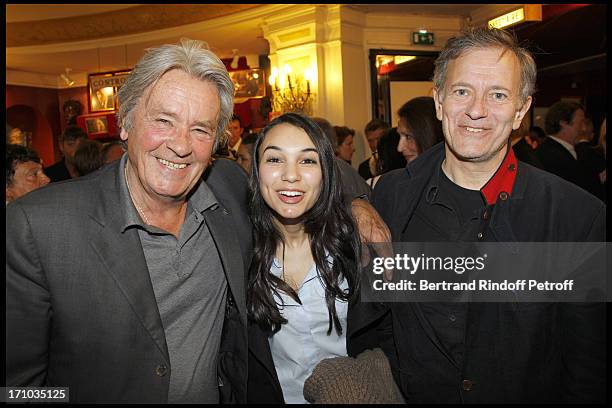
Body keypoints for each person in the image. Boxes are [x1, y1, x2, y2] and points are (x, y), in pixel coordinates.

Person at [352, 27, 606, 403]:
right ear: (439, 101)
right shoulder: (390, 196)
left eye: (498, 95)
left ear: (521, 110)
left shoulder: (576, 217)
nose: (476, 110)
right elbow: (378, 320)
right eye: (461, 91)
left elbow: (588, 369)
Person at [7, 38, 251, 403]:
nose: (181, 145)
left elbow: (304, 184)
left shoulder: (229, 187)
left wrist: (361, 204)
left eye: (200, 129)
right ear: (126, 122)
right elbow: (16, 391)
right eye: (164, 120)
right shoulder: (38, 226)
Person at [246, 112, 361, 403]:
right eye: (274, 159)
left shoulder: (357, 246)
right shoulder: (240, 255)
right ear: (257, 170)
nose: (291, 174)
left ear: (326, 171)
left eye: (307, 160)